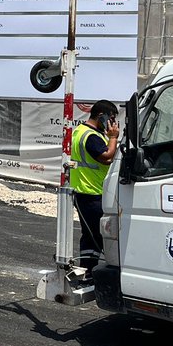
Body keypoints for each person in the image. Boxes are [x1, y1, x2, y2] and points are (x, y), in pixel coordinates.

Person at [69, 100, 120, 277]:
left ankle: (87, 270)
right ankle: (88, 272)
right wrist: (113, 137)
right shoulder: (91, 136)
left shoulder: (80, 131)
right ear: (101, 116)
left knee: (91, 235)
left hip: (86, 191)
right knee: (94, 235)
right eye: (111, 119)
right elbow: (106, 157)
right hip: (91, 192)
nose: (113, 124)